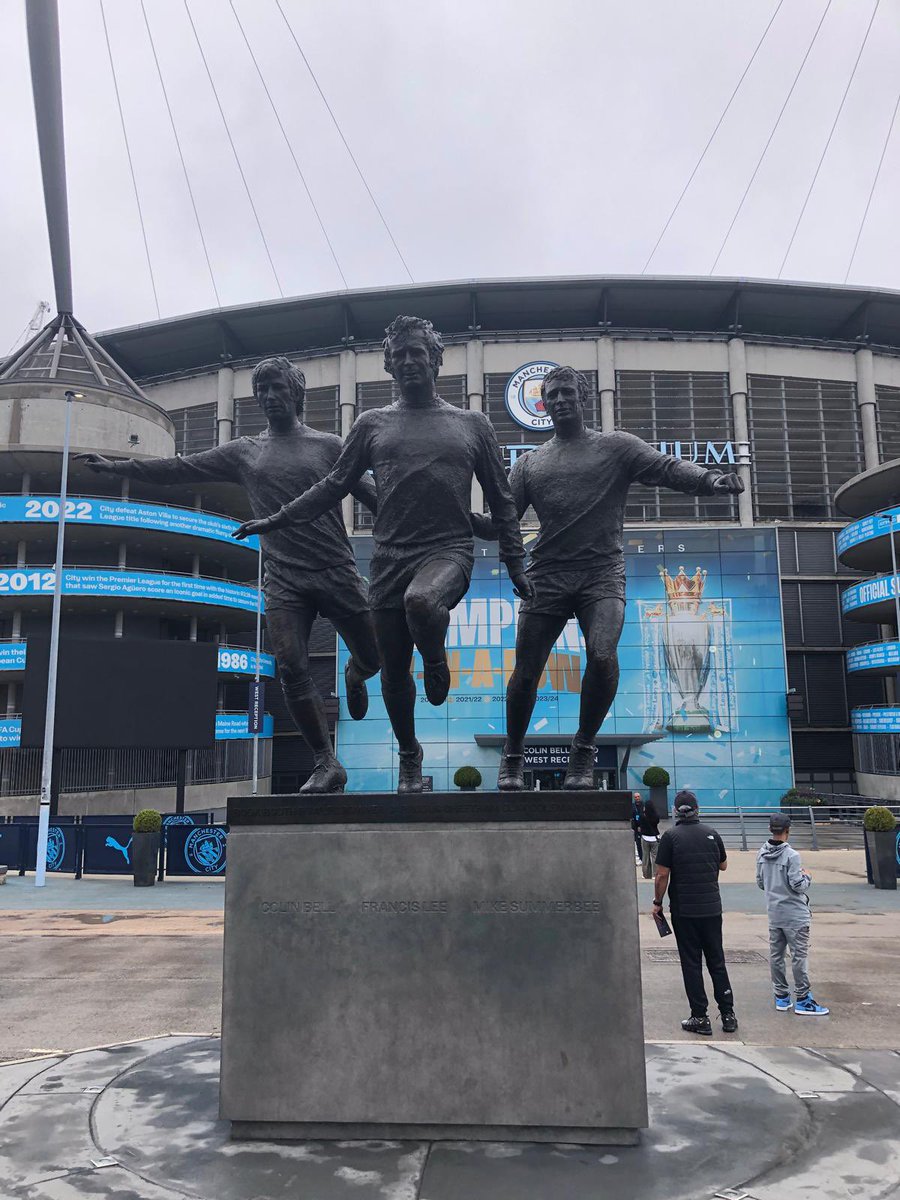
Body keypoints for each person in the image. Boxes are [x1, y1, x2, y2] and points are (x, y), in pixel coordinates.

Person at [233, 316, 533, 793]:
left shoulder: (471, 424)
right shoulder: (371, 424)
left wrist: (516, 561)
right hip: (390, 558)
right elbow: (336, 484)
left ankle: (435, 660)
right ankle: (410, 757)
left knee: (423, 603)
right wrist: (278, 518)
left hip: (447, 551)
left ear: (436, 359)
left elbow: (502, 502)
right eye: (401, 355)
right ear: (388, 365)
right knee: (393, 674)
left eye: (419, 352)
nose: (410, 361)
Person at [77, 356, 380, 794]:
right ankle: (325, 761)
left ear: (296, 393)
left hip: (335, 569)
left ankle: (356, 672)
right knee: (291, 668)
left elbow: (373, 496)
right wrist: (121, 466)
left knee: (375, 656)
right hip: (284, 579)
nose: (270, 397)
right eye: (263, 391)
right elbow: (181, 468)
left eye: (278, 388)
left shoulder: (331, 446)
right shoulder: (244, 452)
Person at [475, 366, 743, 790]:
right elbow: (500, 522)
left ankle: (583, 752)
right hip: (548, 574)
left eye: (567, 392)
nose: (560, 400)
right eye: (552, 395)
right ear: (543, 405)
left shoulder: (616, 447)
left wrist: (710, 480)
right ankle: (512, 756)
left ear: (582, 398)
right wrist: (460, 517)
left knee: (602, 655)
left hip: (602, 574)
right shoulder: (530, 463)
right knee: (526, 672)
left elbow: (667, 467)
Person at [653, 789, 738, 1035]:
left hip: (685, 910)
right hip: (712, 908)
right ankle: (728, 1014)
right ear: (697, 809)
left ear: (675, 811)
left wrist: (657, 902)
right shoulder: (712, 833)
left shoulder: (671, 837)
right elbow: (723, 864)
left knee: (691, 963)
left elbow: (662, 875)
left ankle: (700, 1017)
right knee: (716, 961)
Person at [757, 813, 829, 1016]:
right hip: (795, 915)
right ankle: (803, 999)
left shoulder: (761, 854)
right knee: (799, 957)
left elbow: (761, 882)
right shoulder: (792, 856)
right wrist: (807, 876)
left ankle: (781, 996)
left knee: (776, 956)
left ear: (771, 829)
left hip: (775, 913)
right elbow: (798, 885)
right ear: (787, 831)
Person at [639, 794, 661, 879]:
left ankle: (646, 874)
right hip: (654, 837)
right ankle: (655, 874)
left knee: (645, 856)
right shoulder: (656, 816)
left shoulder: (642, 816)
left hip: (645, 837)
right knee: (655, 856)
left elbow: (640, 825)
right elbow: (656, 823)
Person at [631, 793, 644, 865]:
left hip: (644, 827)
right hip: (636, 828)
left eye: (638, 796)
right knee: (638, 844)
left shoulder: (644, 805)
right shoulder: (633, 806)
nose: (637, 798)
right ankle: (641, 858)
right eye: (635, 797)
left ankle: (646, 859)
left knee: (645, 844)